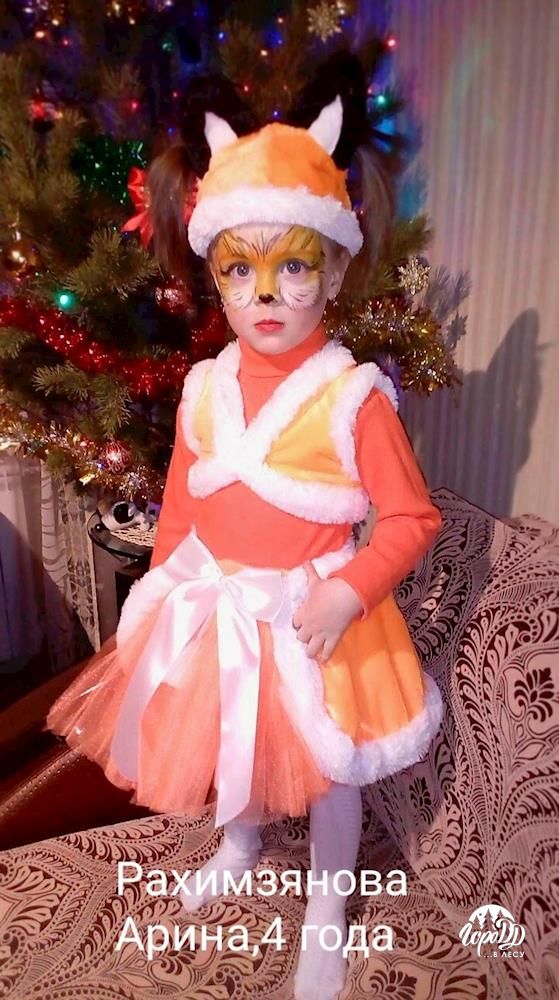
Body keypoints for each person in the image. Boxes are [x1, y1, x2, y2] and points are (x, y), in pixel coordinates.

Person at [46, 60, 444, 1000]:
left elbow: (411, 517)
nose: (264, 293)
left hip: (316, 621)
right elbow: (185, 503)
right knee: (230, 738)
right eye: (240, 269)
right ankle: (239, 841)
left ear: (333, 270)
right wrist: (157, 595)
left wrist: (348, 591)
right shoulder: (203, 388)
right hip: (214, 608)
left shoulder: (352, 398)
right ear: (215, 277)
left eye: (291, 266)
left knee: (330, 768)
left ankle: (326, 909)